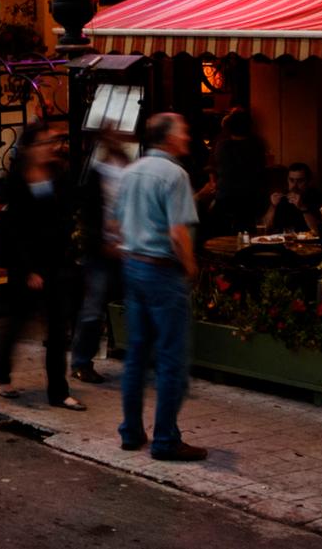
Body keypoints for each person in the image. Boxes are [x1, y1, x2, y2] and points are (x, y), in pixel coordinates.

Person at [117, 112, 205, 461]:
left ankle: (131, 431)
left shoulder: (131, 172)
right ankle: (166, 439)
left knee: (136, 356)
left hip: (133, 265)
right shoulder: (175, 175)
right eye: (183, 131)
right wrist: (190, 266)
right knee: (171, 357)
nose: (187, 137)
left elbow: (118, 222)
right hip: (162, 270)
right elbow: (177, 231)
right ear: (168, 138)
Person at [0, 121, 83, 410]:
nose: (51, 148)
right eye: (45, 143)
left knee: (58, 331)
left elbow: (67, 214)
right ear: (30, 148)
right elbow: (15, 230)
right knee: (17, 322)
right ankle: (1, 374)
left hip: (57, 263)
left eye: (52, 143)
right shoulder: (17, 180)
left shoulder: (59, 175)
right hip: (26, 264)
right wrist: (28, 269)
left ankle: (59, 391)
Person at [69, 129, 131, 385]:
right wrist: (102, 243)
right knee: (93, 308)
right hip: (103, 250)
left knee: (110, 305)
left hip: (124, 248)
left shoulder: (127, 169)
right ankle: (82, 362)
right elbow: (88, 214)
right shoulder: (95, 173)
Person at [211, 107, 267, 235]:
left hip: (226, 197)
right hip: (252, 198)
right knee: (248, 234)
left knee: (222, 235)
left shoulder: (222, 146)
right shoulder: (257, 145)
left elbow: (217, 169)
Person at [257, 162, 322, 236]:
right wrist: (273, 207)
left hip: (308, 244)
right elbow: (265, 228)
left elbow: (319, 232)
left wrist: (302, 207)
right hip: (283, 243)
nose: (295, 185)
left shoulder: (317, 197)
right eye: (291, 180)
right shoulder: (281, 198)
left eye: (300, 181)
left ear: (308, 181)